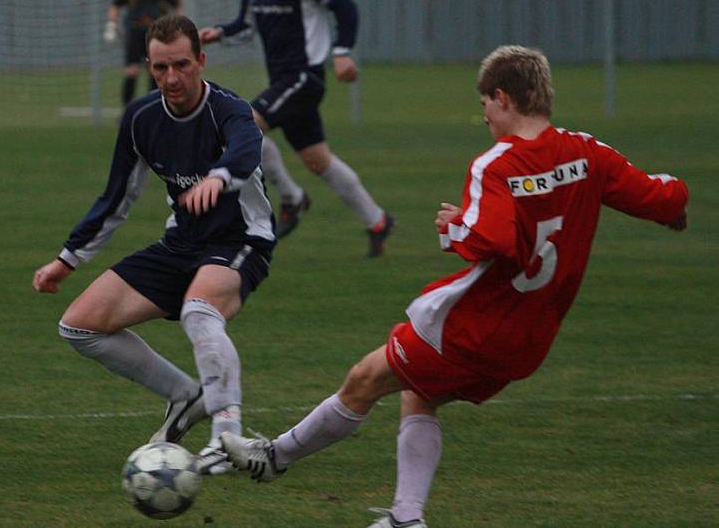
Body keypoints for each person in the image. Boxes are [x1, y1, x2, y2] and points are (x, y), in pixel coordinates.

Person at [218, 45, 689, 527]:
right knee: (418, 394)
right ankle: (403, 514)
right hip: (531, 339)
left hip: (477, 329)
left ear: (503, 98)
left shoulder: (498, 166)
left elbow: (492, 240)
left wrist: (454, 224)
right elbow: (660, 195)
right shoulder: (588, 153)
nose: (483, 113)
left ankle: (274, 459)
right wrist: (675, 210)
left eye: (485, 101)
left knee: (365, 379)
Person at [33, 14, 275, 476]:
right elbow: (116, 196)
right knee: (79, 326)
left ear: (201, 61)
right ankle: (188, 394)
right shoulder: (142, 118)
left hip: (240, 240)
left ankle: (227, 435)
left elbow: (246, 149)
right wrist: (67, 260)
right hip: (181, 243)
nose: (172, 78)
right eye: (160, 68)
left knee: (199, 311)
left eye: (181, 65)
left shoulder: (229, 108)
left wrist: (220, 177)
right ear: (149, 65)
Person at [199, 0, 394, 257]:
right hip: (283, 82)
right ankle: (377, 220)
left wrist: (342, 52)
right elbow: (245, 26)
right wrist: (218, 34)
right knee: (318, 161)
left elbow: (346, 7)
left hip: (304, 77)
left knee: (242, 125)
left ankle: (292, 198)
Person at [104, 0, 181, 107]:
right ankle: (127, 112)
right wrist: (111, 25)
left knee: (156, 72)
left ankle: (154, 109)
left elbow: (177, 5)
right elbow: (116, 4)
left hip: (158, 33)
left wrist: (180, 27)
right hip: (135, 30)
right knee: (132, 70)